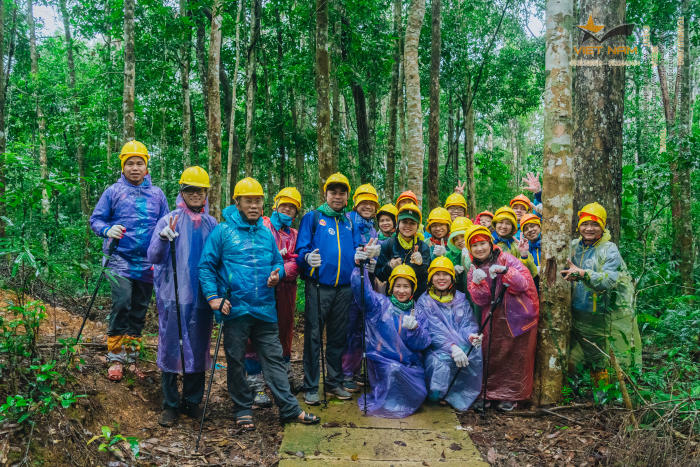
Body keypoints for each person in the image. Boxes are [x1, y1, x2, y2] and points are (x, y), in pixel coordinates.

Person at [199, 177, 319, 430]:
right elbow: (206, 266)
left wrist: (276, 274)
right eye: (248, 201)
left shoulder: (266, 234)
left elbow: (276, 262)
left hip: (265, 309)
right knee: (236, 360)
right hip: (235, 309)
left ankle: (289, 408)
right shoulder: (222, 231)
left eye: (258, 201)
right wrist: (214, 298)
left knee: (274, 359)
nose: (254, 205)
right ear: (238, 203)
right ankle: (242, 408)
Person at [90, 140, 169, 381]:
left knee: (139, 309)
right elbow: (96, 220)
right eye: (130, 163)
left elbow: (166, 221)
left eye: (140, 163)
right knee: (122, 303)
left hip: (148, 263)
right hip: (119, 261)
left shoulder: (157, 194)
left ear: (147, 167)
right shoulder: (113, 192)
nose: (135, 168)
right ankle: (115, 357)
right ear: (123, 167)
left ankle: (132, 357)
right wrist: (107, 230)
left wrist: (166, 233)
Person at [147, 166, 217, 427]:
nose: (196, 195)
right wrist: (163, 239)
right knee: (171, 347)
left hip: (201, 296)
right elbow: (152, 256)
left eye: (200, 190)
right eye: (190, 190)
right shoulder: (169, 219)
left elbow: (219, 260)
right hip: (172, 295)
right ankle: (170, 404)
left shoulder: (213, 224)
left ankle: (192, 401)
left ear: (206, 193)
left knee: (198, 348)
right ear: (182, 192)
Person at [295, 172, 365, 405]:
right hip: (318, 287)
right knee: (314, 337)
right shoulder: (313, 218)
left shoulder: (349, 222)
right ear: (325, 194)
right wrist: (307, 259)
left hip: (344, 289)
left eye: (341, 192)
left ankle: (334, 382)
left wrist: (363, 254)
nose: (337, 196)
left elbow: (357, 249)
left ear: (347, 197)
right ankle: (312, 385)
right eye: (333, 192)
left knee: (337, 337)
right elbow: (301, 249)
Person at [562, 202, 642, 386]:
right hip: (574, 312)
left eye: (595, 224)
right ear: (578, 225)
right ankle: (573, 392)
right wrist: (539, 195)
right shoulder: (574, 246)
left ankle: (603, 396)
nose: (589, 228)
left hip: (599, 316)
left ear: (603, 226)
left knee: (599, 360)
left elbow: (608, 280)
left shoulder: (609, 249)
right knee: (570, 357)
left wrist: (583, 274)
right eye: (585, 224)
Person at [466, 225, 539, 411]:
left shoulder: (507, 258)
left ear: (490, 244)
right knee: (491, 353)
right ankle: (488, 393)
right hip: (492, 316)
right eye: (474, 246)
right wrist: (478, 282)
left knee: (515, 356)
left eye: (483, 243)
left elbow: (523, 284)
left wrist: (506, 272)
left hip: (517, 314)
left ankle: (512, 395)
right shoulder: (473, 268)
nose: (479, 248)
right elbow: (480, 299)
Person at [245, 187, 303, 407]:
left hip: (286, 289)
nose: (287, 210)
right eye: (284, 205)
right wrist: (272, 264)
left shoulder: (295, 235)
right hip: (260, 288)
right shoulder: (263, 227)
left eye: (292, 207)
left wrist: (282, 270)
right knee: (255, 332)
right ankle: (255, 383)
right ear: (276, 206)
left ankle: (284, 375)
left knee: (285, 330)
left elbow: (297, 261)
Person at [350, 264, 431, 418]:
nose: (401, 291)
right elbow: (363, 293)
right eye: (398, 286)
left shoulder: (418, 312)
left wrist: (415, 330)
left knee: (421, 391)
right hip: (382, 361)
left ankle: (399, 400)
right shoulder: (380, 305)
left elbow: (423, 343)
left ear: (413, 289)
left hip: (409, 364)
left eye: (406, 286)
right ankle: (390, 404)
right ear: (391, 287)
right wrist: (360, 269)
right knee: (394, 370)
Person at [417, 257, 483, 411]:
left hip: (459, 343)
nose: (441, 278)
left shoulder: (460, 298)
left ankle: (460, 394)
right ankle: (439, 395)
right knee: (440, 364)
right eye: (437, 274)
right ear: (430, 278)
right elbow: (433, 331)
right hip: (435, 348)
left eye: (445, 274)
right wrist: (452, 347)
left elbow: (467, 323)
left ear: (452, 277)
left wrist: (471, 336)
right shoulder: (424, 302)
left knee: (473, 352)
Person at [342, 183, 381, 393]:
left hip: (364, 284)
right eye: (363, 202)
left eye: (371, 203)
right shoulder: (347, 221)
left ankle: (354, 370)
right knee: (348, 328)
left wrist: (372, 262)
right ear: (356, 203)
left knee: (359, 328)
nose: (367, 206)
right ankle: (344, 372)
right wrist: (355, 257)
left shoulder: (372, 228)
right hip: (347, 282)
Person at [376, 203, 432, 298]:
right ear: (398, 223)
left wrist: (420, 265)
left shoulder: (423, 247)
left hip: (417, 300)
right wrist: (389, 266)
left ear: (417, 226)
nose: (408, 226)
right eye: (404, 222)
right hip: (393, 300)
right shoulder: (388, 244)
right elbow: (379, 274)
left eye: (412, 223)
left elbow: (427, 278)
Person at [491, 206, 538, 280]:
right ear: (495, 224)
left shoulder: (516, 246)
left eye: (508, 224)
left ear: (512, 227)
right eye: (500, 222)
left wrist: (524, 255)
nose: (504, 226)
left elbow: (532, 273)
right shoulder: (487, 243)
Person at [446, 216, 473, 293]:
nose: (459, 241)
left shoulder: (480, 252)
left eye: (462, 236)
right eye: (456, 239)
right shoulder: (458, 254)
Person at [519, 213, 541, 290]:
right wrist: (524, 254)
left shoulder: (551, 241)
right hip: (534, 288)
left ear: (539, 226)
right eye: (526, 229)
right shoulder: (525, 248)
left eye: (532, 226)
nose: (530, 230)